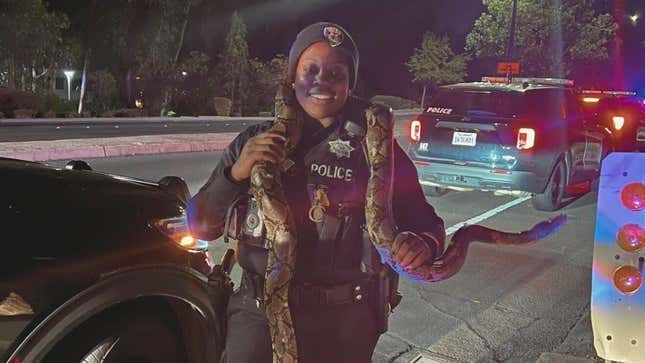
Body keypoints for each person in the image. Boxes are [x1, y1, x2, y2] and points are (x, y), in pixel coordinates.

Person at [187, 22, 446, 363]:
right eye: (310, 69)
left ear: (349, 84)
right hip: (256, 318)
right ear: (293, 79)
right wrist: (236, 173)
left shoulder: (376, 150)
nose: (321, 80)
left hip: (343, 324)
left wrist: (422, 244)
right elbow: (201, 226)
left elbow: (428, 224)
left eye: (336, 72)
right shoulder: (254, 142)